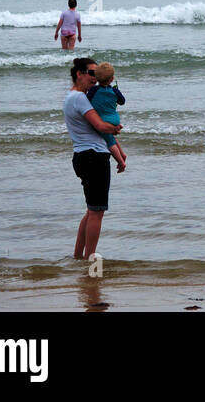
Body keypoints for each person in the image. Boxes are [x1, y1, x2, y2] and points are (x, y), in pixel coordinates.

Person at [65, 57, 122, 261]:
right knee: (97, 212)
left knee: (91, 211)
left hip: (84, 156)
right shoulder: (80, 98)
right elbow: (100, 126)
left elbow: (99, 129)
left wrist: (117, 150)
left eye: (97, 73)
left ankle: (78, 257)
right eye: (91, 73)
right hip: (93, 157)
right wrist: (115, 127)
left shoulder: (72, 97)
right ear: (79, 74)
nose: (95, 77)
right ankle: (90, 260)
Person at [87, 62, 128, 172]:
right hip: (114, 119)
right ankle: (122, 154)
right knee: (110, 137)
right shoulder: (114, 91)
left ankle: (121, 162)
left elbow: (86, 100)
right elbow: (122, 102)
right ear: (112, 78)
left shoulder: (94, 90)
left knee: (109, 142)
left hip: (102, 120)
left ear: (97, 78)